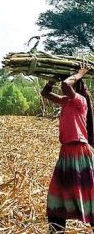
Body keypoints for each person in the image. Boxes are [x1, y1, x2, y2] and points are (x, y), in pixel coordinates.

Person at [41, 65, 94, 233]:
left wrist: (80, 73)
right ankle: (57, 230)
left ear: (76, 84)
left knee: (88, 195)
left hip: (79, 153)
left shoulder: (81, 101)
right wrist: (51, 80)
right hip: (65, 154)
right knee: (56, 196)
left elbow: (65, 85)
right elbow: (45, 93)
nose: (65, 83)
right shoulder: (65, 101)